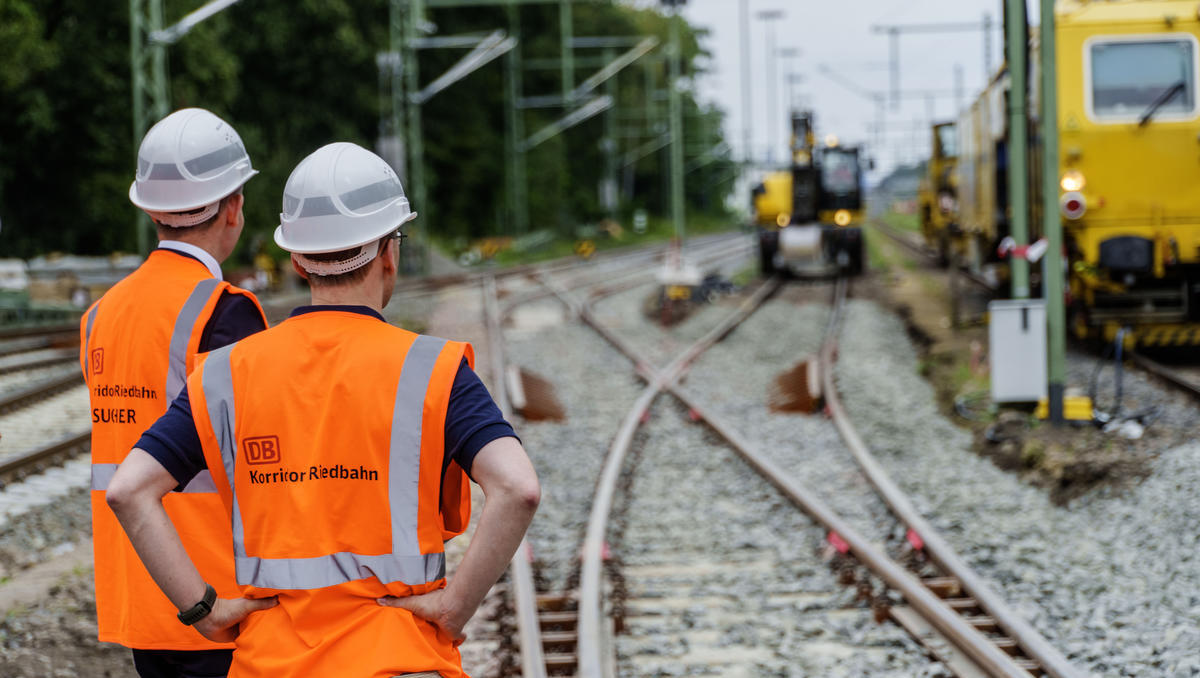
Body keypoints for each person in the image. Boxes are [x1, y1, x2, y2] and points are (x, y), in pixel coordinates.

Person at [106, 142, 540, 678]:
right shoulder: (434, 370)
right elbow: (518, 489)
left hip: (269, 665)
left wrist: (205, 613)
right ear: (388, 252)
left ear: (296, 259)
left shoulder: (223, 374)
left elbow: (128, 491)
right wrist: (454, 609)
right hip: (399, 661)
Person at [80, 107, 268, 677]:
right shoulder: (224, 312)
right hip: (217, 597)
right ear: (233, 207)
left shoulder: (99, 315)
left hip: (142, 592)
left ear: (150, 210)